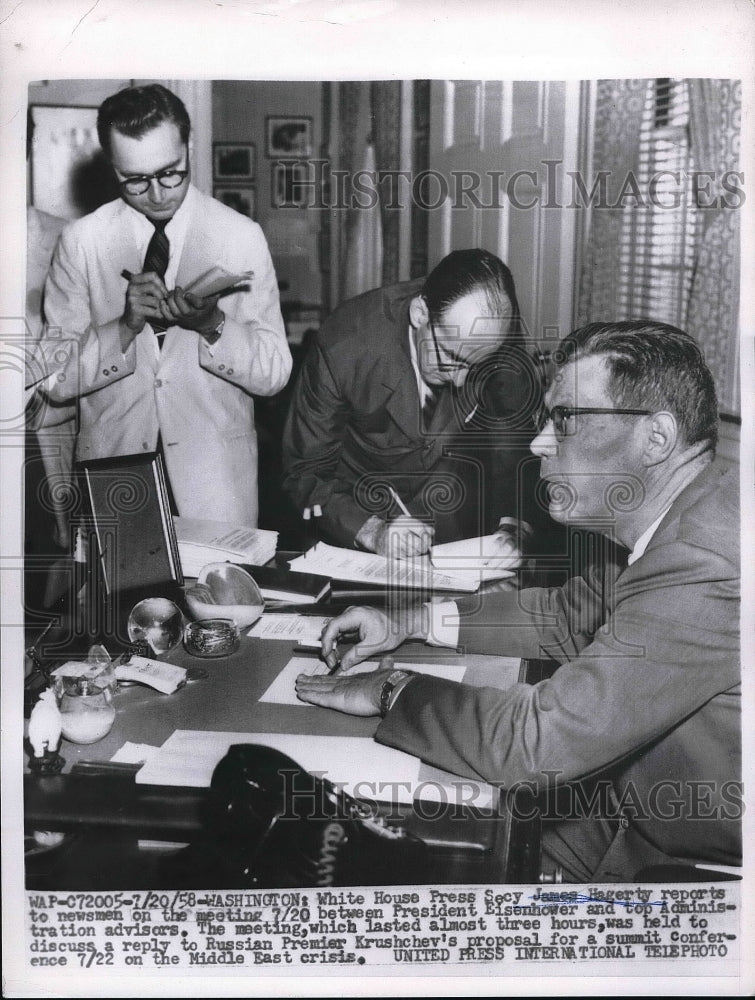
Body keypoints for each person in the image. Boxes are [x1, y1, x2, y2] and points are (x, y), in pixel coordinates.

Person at [295, 320, 741, 882]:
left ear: (656, 438)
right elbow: (563, 617)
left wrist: (392, 688)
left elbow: (535, 744)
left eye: (566, 420)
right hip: (638, 803)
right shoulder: (686, 509)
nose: (539, 443)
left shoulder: (701, 562)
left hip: (694, 857)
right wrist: (411, 620)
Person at [39, 84, 291, 526]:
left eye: (170, 173)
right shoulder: (81, 243)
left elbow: (274, 373)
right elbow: (53, 380)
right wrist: (123, 328)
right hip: (116, 484)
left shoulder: (240, 236)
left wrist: (213, 324)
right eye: (135, 180)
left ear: (188, 147)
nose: (157, 194)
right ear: (111, 166)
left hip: (217, 489)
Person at [281, 250, 545, 559]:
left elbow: (512, 448)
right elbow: (305, 472)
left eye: (476, 366)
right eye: (452, 357)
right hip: (355, 514)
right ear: (420, 314)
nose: (460, 381)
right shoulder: (347, 346)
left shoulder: (497, 340)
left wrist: (513, 529)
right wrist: (372, 531)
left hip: (451, 511)